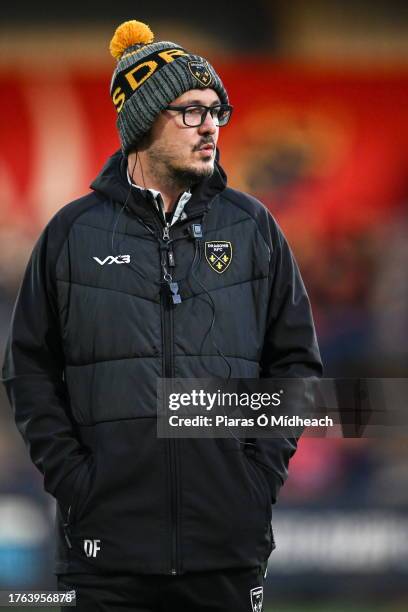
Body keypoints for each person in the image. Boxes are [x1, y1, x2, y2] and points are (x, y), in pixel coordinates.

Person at [2, 19, 322, 612]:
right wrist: (76, 482)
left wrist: (258, 475)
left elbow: (297, 365)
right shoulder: (71, 233)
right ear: (143, 121)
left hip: (227, 544)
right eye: (191, 111)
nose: (211, 127)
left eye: (216, 111)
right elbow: (28, 371)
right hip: (106, 554)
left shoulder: (254, 228)